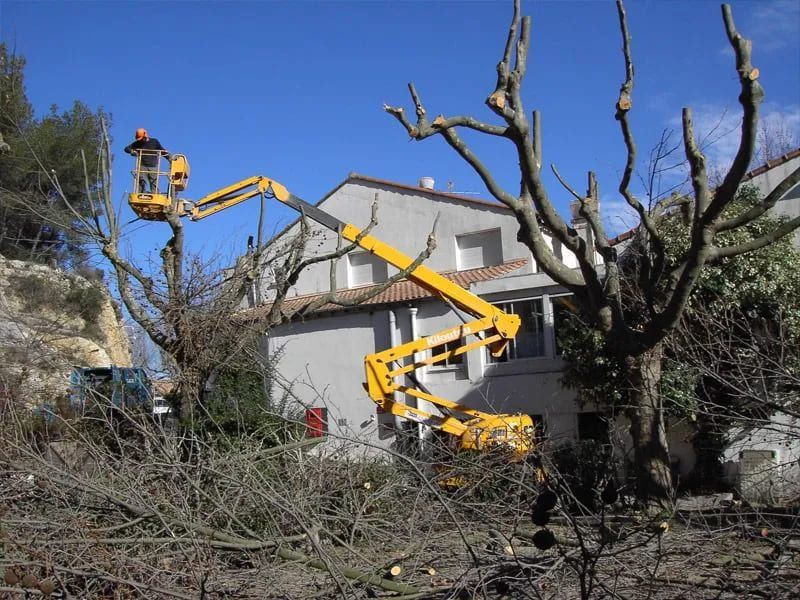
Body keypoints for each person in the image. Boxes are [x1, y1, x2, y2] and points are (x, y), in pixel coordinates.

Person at [124, 128, 171, 193]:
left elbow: (162, 151)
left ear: (145, 135)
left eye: (141, 138)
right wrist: (132, 151)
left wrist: (169, 159)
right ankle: (141, 194)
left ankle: (154, 194)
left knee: (154, 184)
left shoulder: (154, 142)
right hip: (142, 166)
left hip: (153, 166)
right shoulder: (138, 143)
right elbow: (126, 149)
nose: (141, 140)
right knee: (141, 182)